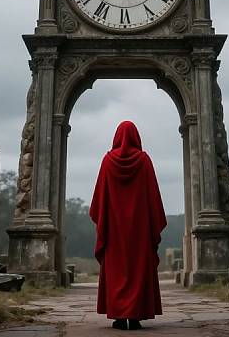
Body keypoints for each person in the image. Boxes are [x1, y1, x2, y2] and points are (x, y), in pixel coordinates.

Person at [89, 120, 167, 331]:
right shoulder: (144, 161)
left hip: (114, 231)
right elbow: (154, 200)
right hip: (140, 231)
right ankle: (135, 316)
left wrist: (105, 220)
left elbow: (98, 203)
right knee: (137, 268)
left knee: (117, 270)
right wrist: (152, 224)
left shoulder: (107, 161)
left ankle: (118, 316)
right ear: (136, 137)